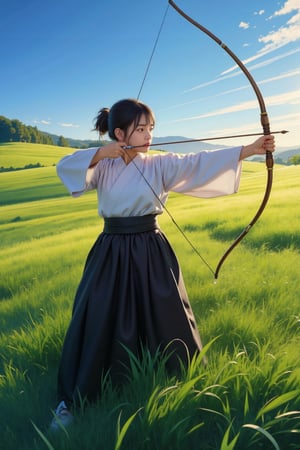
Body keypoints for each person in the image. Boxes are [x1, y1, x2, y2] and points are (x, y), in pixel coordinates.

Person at [50, 98, 275, 429]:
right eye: (140, 130)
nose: (148, 136)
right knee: (96, 314)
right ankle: (75, 399)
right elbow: (65, 167)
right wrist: (100, 154)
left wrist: (251, 148)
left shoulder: (161, 164)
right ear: (119, 133)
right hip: (111, 250)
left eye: (151, 129)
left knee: (168, 313)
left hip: (151, 249)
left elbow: (198, 162)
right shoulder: (103, 167)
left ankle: (186, 384)